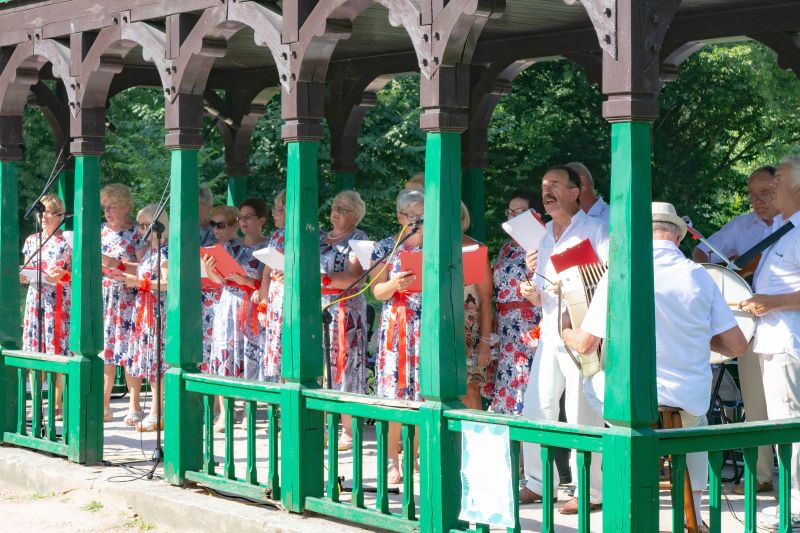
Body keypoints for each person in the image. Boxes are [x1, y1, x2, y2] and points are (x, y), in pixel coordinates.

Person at [562, 201, 747, 526]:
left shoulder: (620, 274)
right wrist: (696, 336)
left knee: (591, 383)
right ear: (678, 237)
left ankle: (624, 479)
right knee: (697, 428)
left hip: (634, 406)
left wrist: (564, 329)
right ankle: (694, 516)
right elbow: (737, 345)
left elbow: (587, 343)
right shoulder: (699, 276)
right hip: (687, 402)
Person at [518, 165, 608, 512]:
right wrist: (533, 292)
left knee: (581, 411)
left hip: (582, 332)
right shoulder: (544, 236)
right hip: (549, 332)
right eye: (544, 186)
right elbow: (544, 292)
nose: (547, 191)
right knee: (536, 407)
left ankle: (590, 490)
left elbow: (610, 280)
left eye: (555, 185)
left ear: (575, 191)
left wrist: (574, 286)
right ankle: (539, 483)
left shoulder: (596, 229)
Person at [691, 165, 778, 494]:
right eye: (752, 195)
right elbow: (701, 254)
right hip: (749, 328)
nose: (757, 201)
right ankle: (761, 476)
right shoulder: (741, 225)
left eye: (765, 193)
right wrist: (731, 274)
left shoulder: (794, 227)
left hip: (788, 327)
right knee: (756, 405)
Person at [741, 157, 800, 530]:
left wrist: (773, 302)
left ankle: (796, 509)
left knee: (791, 427)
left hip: (788, 345)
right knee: (784, 427)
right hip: (774, 342)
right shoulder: (783, 227)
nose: (772, 184)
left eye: (779, 179)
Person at [371, 188, 424, 484]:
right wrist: (394, 284)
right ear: (400, 217)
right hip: (397, 326)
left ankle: (413, 456)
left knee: (421, 393)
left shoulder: (435, 244)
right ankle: (392, 459)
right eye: (412, 215)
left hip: (426, 326)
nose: (418, 221)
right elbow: (377, 291)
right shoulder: (385, 247)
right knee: (394, 395)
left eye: (422, 215)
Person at [320, 190, 370, 450]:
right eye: (335, 206)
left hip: (345, 310)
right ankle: (321, 427)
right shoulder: (318, 237)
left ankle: (349, 429)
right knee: (320, 366)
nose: (336, 211)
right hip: (318, 307)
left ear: (356, 216)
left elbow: (354, 277)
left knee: (345, 365)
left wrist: (321, 277)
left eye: (344, 208)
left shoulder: (359, 239)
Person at [19, 194, 71, 420]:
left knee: (56, 350)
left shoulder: (66, 242)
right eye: (40, 212)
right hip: (35, 301)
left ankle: (57, 403)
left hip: (57, 301)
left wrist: (62, 275)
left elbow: (73, 274)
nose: (42, 217)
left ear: (59, 215)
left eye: (47, 212)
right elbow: (27, 268)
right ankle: (38, 403)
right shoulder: (32, 240)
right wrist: (24, 275)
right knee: (34, 350)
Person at [118, 205, 169, 432]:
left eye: (144, 225)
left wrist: (140, 282)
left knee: (157, 361)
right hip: (145, 309)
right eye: (139, 225)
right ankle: (151, 410)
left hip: (157, 310)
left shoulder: (165, 252)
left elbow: (168, 283)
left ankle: (157, 412)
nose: (140, 230)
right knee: (148, 360)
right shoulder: (149, 250)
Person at [491, 192, 542, 415]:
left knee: (525, 377)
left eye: (519, 212)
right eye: (510, 212)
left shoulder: (540, 243)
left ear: (535, 215)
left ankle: (527, 431)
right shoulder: (506, 248)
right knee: (507, 378)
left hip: (527, 321)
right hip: (504, 323)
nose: (512, 216)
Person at [98, 184, 145, 425]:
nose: (107, 212)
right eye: (105, 207)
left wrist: (116, 264)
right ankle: (104, 406)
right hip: (104, 297)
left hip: (129, 298)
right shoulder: (99, 231)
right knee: (105, 351)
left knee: (130, 351)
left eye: (112, 206)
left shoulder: (138, 232)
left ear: (126, 207)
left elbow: (146, 267)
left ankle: (134, 406)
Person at [461, 202, 494, 410]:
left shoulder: (474, 249)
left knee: (471, 388)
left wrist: (485, 341)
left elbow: (486, 297)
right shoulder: (425, 247)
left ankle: (474, 432)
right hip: (438, 329)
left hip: (469, 330)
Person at [238, 198, 270, 381]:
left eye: (248, 216)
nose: (243, 221)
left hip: (257, 307)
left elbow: (271, 279)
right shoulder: (233, 245)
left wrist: (250, 283)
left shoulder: (270, 246)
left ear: (261, 220)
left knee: (256, 360)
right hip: (233, 307)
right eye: (240, 217)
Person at [259, 190, 287, 383]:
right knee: (278, 352)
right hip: (275, 299)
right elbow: (266, 273)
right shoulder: (277, 235)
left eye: (279, 210)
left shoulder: (309, 235)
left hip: (291, 297)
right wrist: (263, 307)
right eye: (274, 209)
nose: (274, 214)